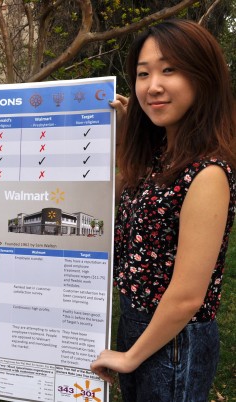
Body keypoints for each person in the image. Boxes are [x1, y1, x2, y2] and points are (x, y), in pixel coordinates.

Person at [90, 19, 236, 401]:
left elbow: (188, 295)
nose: (153, 86)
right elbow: (134, 206)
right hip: (141, 325)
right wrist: (122, 129)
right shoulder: (160, 158)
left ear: (203, 78)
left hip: (174, 341)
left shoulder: (208, 173)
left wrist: (130, 358)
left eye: (169, 70)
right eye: (143, 73)